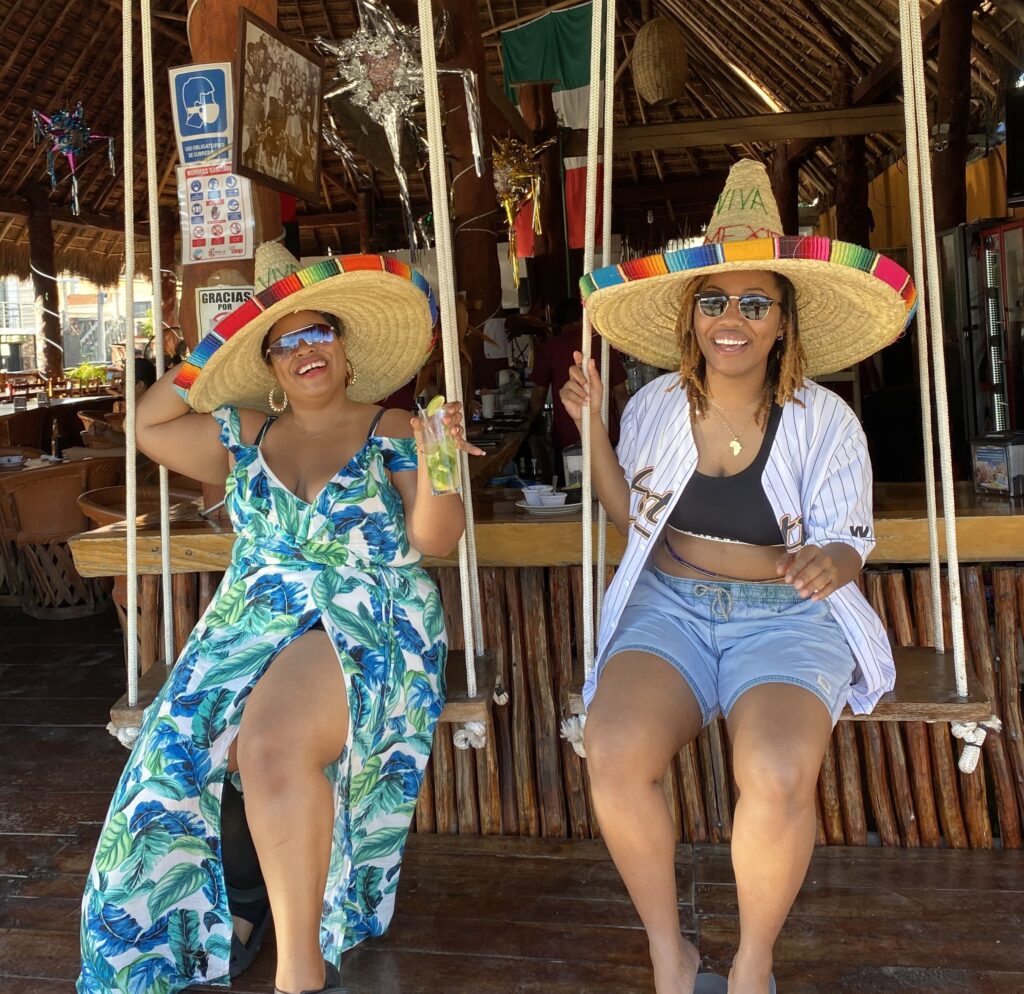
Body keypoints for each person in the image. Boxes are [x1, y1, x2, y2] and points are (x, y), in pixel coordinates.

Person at [76, 242, 484, 994]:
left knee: (268, 746)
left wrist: (440, 464)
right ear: (267, 365)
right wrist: (222, 340)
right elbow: (150, 421)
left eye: (318, 331)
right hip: (252, 624)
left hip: (372, 617)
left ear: (345, 346)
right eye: (283, 341)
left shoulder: (394, 426)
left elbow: (434, 539)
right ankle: (181, 931)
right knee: (166, 757)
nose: (305, 350)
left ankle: (297, 970)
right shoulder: (243, 434)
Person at [560, 160, 916, 994]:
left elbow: (849, 539)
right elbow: (629, 514)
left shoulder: (826, 421)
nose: (732, 320)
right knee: (611, 751)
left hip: (786, 616)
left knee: (780, 771)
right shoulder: (652, 406)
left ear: (783, 323)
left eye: (755, 303)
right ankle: (667, 952)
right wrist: (593, 432)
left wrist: (836, 560)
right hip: (670, 607)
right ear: (692, 318)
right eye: (714, 301)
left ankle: (754, 963)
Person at [530, 297, 629, 477]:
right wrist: (629, 433)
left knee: (570, 492)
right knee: (607, 494)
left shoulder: (550, 348)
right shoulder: (603, 346)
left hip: (566, 437)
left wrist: (527, 422)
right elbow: (621, 395)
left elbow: (538, 397)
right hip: (607, 434)